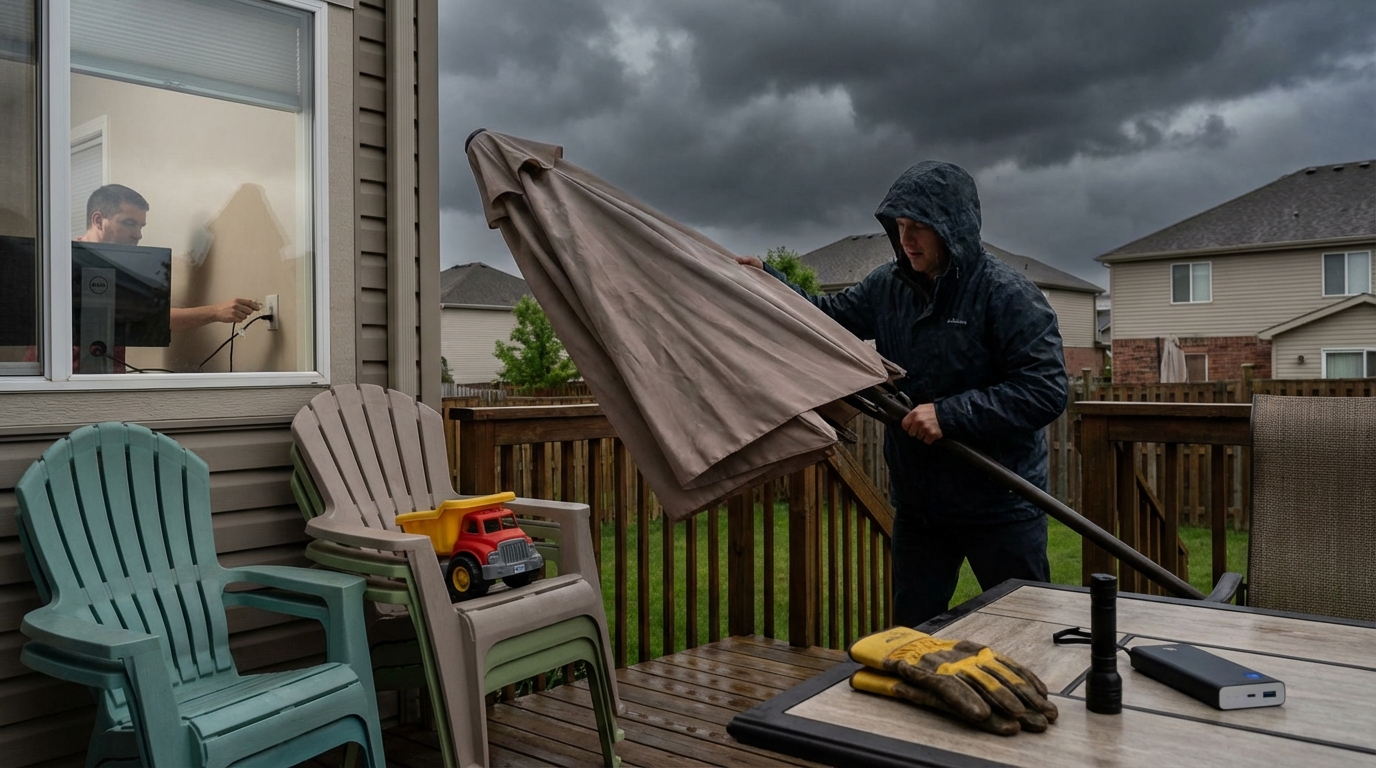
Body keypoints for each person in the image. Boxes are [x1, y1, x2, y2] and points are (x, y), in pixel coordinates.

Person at [738, 161, 1068, 627]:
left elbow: (1044, 390)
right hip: (921, 504)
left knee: (1026, 628)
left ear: (952, 229)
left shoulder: (1007, 295)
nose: (907, 240)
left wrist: (950, 414)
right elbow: (826, 320)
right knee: (912, 636)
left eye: (920, 228)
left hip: (999, 501)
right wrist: (770, 283)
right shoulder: (886, 287)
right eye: (901, 227)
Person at [78, 184, 260, 330]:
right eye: (129, 223)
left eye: (141, 226)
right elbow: (144, 316)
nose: (138, 235)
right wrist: (216, 312)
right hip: (68, 375)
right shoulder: (67, 263)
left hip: (109, 372)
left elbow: (148, 314)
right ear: (98, 221)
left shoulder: (121, 267)